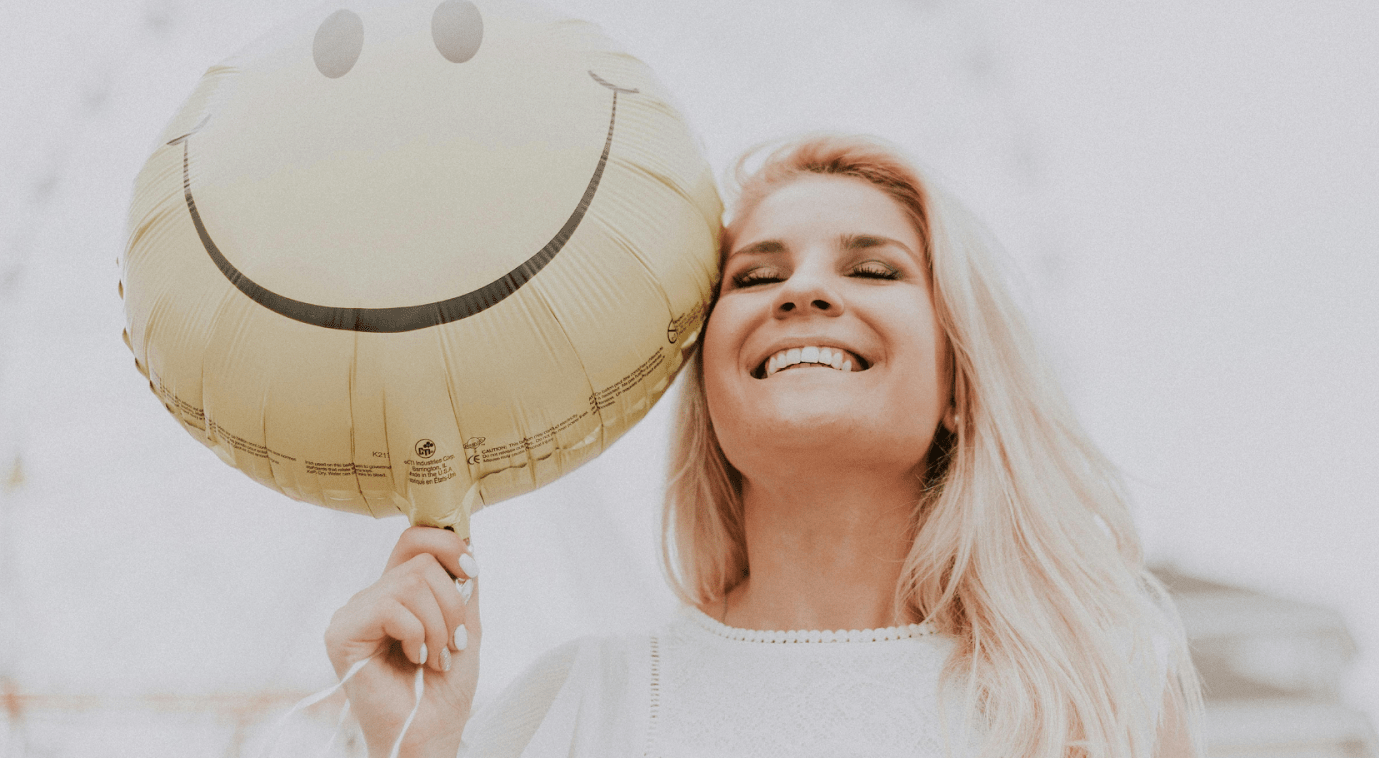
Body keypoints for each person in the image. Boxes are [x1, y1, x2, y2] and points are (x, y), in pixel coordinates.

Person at [325, 135, 1204, 758]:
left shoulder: (1088, 711)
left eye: (872, 268)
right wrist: (417, 749)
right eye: (757, 276)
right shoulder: (585, 707)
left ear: (961, 392)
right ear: (707, 387)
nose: (806, 290)